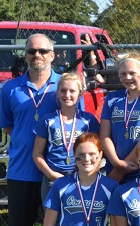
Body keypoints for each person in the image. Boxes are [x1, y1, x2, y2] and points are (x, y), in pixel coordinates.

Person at [0, 34, 60, 226]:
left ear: (53, 55)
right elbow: (9, 126)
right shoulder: (10, 88)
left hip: (56, 172)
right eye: (32, 51)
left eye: (43, 51)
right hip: (22, 169)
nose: (37, 56)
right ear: (25, 55)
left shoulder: (64, 86)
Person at [33, 72, 100, 203]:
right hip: (53, 178)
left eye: (72, 91)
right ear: (57, 93)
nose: (67, 95)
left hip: (82, 176)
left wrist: (90, 171)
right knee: (51, 218)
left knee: (79, 215)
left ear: (80, 94)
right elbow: (37, 154)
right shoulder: (48, 120)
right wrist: (51, 175)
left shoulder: (88, 120)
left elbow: (98, 152)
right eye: (63, 90)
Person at [100, 53, 140, 183]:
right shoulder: (112, 99)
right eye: (123, 74)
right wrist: (117, 164)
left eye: (132, 73)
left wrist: (123, 166)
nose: (127, 77)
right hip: (113, 167)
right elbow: (104, 135)